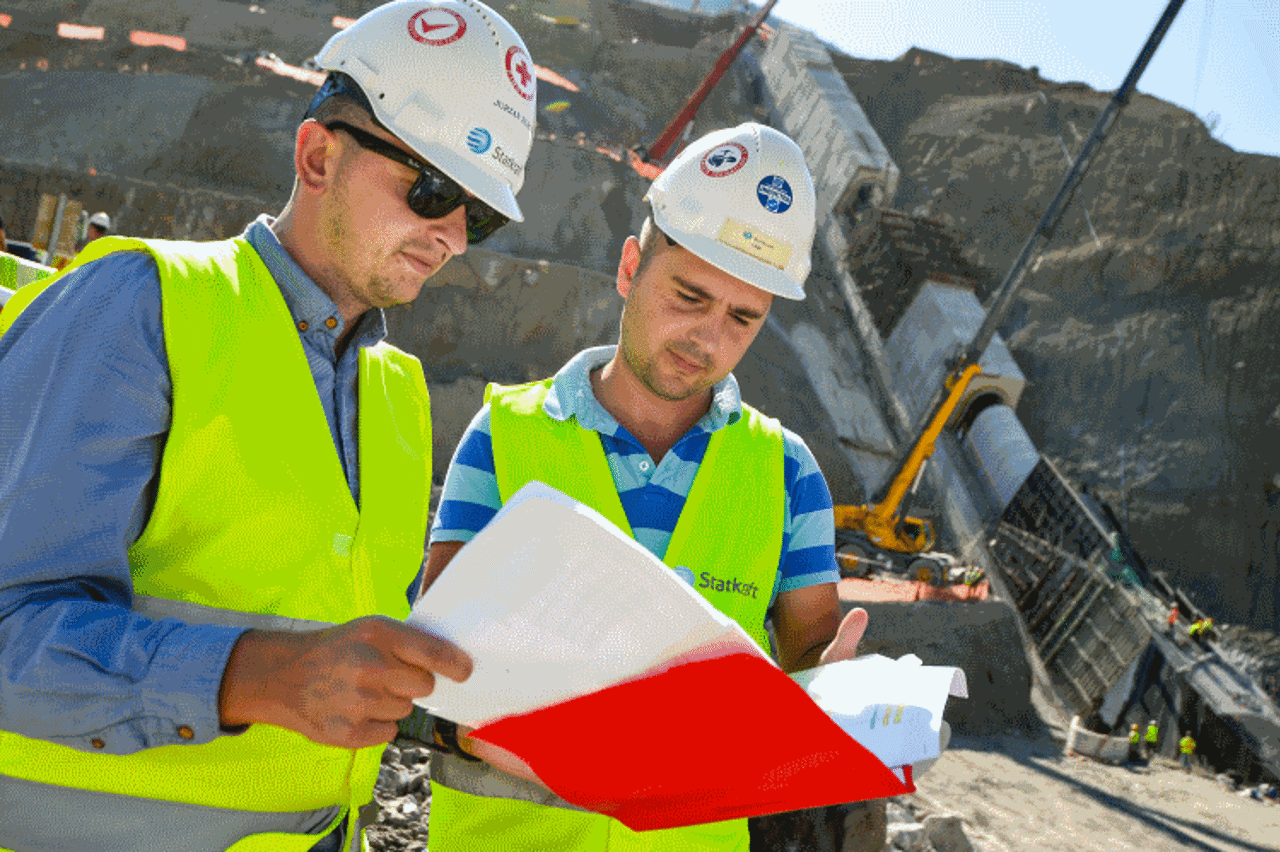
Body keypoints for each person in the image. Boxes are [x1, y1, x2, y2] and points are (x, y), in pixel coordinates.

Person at [0, 2, 536, 850]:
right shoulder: (140, 309)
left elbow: (340, 660)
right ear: (319, 154)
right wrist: (257, 679)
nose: (451, 237)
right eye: (432, 189)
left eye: (480, 214)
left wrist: (450, 722)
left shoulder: (395, 395)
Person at [417, 123, 888, 851]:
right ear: (631, 267)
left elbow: (808, 678)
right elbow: (432, 672)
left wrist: (838, 700)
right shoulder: (503, 434)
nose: (707, 337)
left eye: (742, 317)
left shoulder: (788, 475)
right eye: (691, 295)